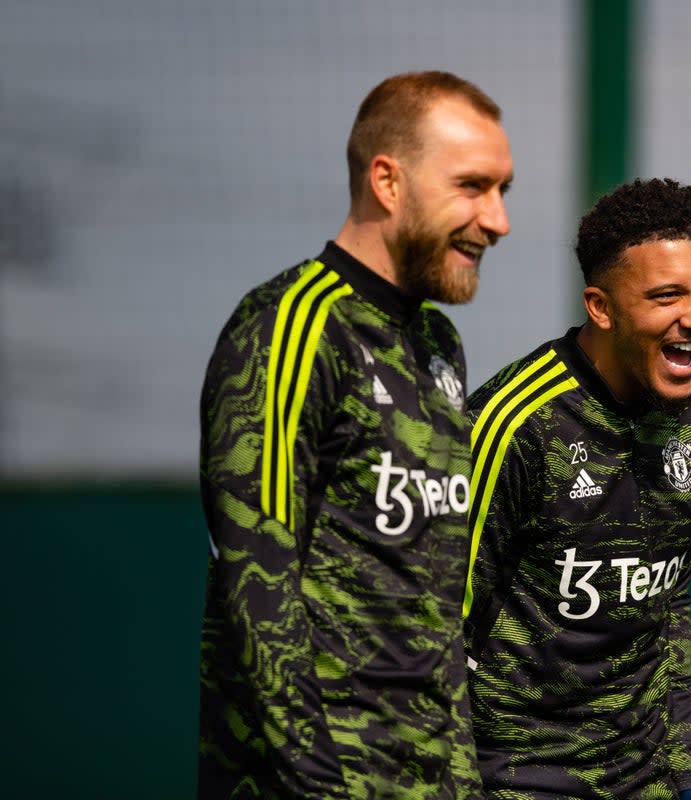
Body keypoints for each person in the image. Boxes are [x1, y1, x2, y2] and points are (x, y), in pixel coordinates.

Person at [197, 71, 513, 799]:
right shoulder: (289, 328)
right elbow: (256, 588)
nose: (497, 220)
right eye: (472, 186)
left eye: (503, 190)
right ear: (387, 181)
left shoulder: (439, 342)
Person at [461, 178, 691, 800]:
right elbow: (435, 631)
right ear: (601, 307)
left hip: (645, 775)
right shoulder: (513, 426)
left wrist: (690, 774)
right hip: (513, 778)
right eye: (667, 295)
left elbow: (666, 603)